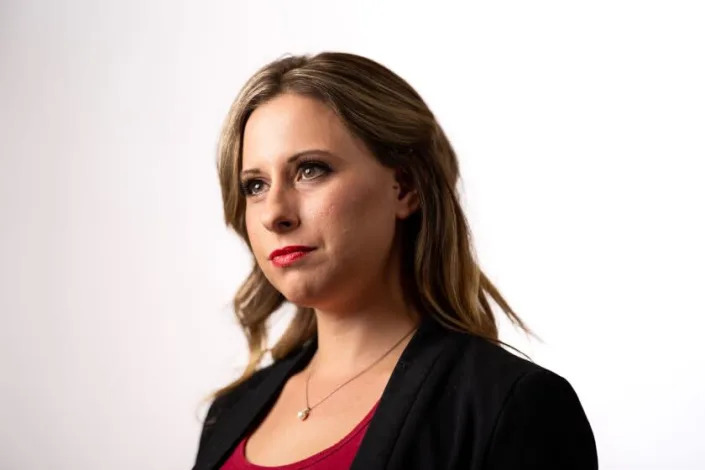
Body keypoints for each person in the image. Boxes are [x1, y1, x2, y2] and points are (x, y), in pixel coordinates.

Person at [192, 52, 598, 470]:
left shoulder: (509, 407)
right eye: (255, 185)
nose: (275, 213)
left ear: (404, 187)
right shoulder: (230, 413)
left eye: (310, 170)